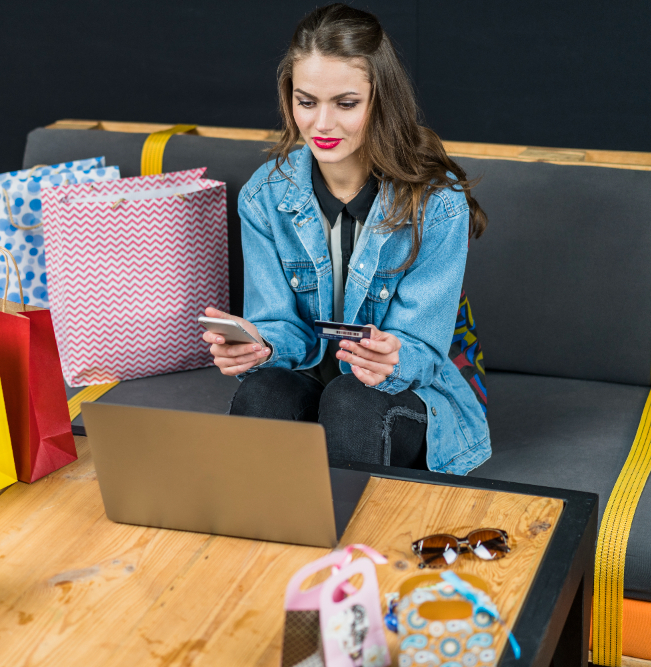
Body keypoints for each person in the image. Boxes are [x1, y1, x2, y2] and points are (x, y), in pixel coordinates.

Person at [202, 4, 490, 475]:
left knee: (350, 398)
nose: (321, 125)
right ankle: (258, 536)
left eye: (346, 103)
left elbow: (423, 351)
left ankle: (350, 548)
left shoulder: (437, 205)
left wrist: (391, 357)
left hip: (401, 393)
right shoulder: (264, 197)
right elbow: (279, 324)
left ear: (381, 100)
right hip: (312, 380)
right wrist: (260, 344)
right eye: (307, 101)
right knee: (262, 391)